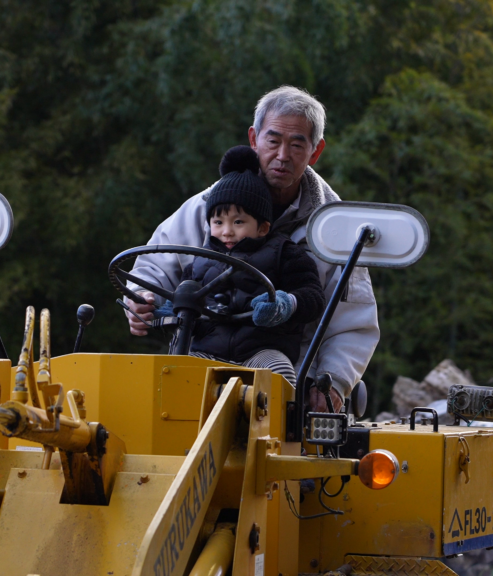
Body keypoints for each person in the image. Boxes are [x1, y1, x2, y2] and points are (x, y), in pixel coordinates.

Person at [124, 86, 379, 413]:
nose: (283, 155)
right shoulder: (209, 206)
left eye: (297, 144)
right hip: (204, 358)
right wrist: (142, 301)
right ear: (254, 139)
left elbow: (353, 321)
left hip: (287, 371)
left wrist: (331, 382)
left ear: (315, 152)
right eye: (273, 141)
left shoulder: (337, 229)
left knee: (282, 391)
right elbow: (154, 266)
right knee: (163, 390)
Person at [158, 145, 324, 386]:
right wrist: (170, 307)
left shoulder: (286, 254)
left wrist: (286, 304)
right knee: (172, 370)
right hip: (207, 351)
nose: (226, 231)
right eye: (218, 221)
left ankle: (276, 424)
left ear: (263, 227)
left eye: (238, 221)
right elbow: (183, 296)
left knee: (280, 374)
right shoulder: (200, 260)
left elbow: (313, 297)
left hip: (260, 352)